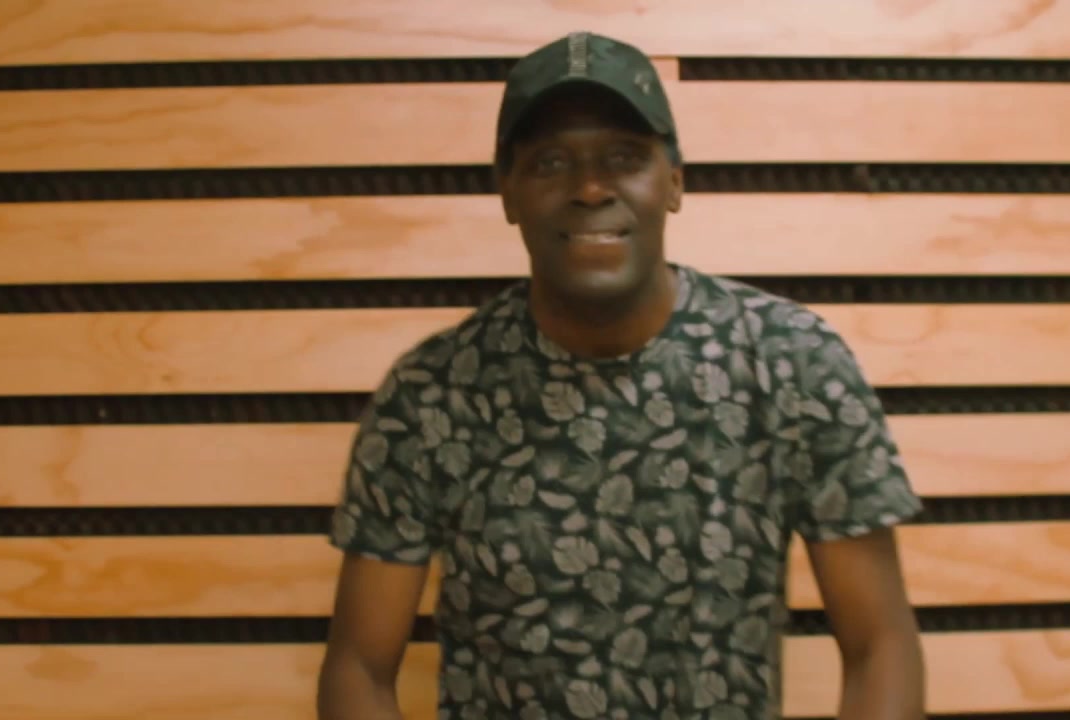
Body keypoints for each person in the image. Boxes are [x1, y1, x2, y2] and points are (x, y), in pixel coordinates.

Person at [317, 30, 926, 720]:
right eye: (551, 162)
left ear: (675, 180)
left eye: (625, 158)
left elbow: (880, 645)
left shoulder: (793, 363)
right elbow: (359, 667)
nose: (590, 189)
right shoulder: (431, 394)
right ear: (507, 191)